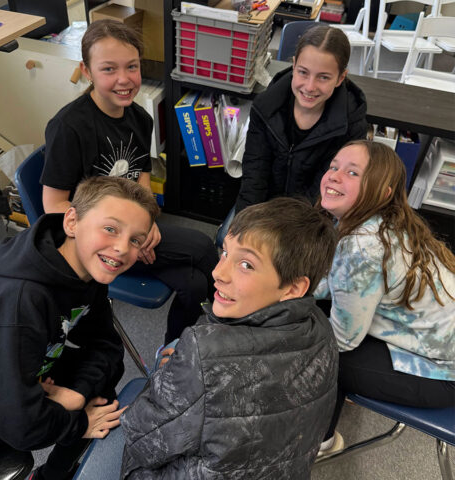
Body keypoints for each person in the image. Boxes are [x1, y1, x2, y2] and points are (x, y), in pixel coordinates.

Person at [119, 197, 339, 479]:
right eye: (224, 253)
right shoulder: (321, 327)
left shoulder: (204, 351)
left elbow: (142, 440)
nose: (217, 272)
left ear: (294, 288)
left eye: (246, 264)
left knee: (165, 358)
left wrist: (171, 374)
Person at [40, 19, 218, 345]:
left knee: (193, 284)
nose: (124, 79)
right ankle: (231, 320)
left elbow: (141, 178)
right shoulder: (69, 127)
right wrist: (127, 236)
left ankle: (173, 352)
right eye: (109, 69)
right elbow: (53, 205)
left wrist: (146, 223)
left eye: (132, 67)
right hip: (95, 241)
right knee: (203, 247)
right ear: (87, 71)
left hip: (131, 229)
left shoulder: (140, 118)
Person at [0, 176, 160, 480]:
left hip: (27, 373)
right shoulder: (21, 302)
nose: (121, 249)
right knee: (88, 407)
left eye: (135, 240)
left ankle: (54, 474)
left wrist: (76, 394)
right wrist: (80, 423)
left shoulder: (88, 268)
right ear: (72, 221)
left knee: (102, 388)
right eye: (110, 229)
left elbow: (107, 348)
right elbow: (17, 423)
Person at [315, 140, 455, 454]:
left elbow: (342, 340)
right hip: (434, 340)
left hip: (444, 373)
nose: (334, 175)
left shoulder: (363, 246)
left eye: (352, 173)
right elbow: (335, 280)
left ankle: (321, 443)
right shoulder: (384, 221)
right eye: (334, 166)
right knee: (318, 314)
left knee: (321, 352)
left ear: (382, 192)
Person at [235, 24, 367, 213]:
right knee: (235, 229)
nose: (310, 87)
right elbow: (255, 175)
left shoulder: (351, 125)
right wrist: (247, 222)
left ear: (340, 78)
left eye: (323, 77)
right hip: (264, 206)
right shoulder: (265, 107)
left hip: (311, 215)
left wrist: (290, 227)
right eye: (303, 72)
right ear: (294, 65)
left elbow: (327, 192)